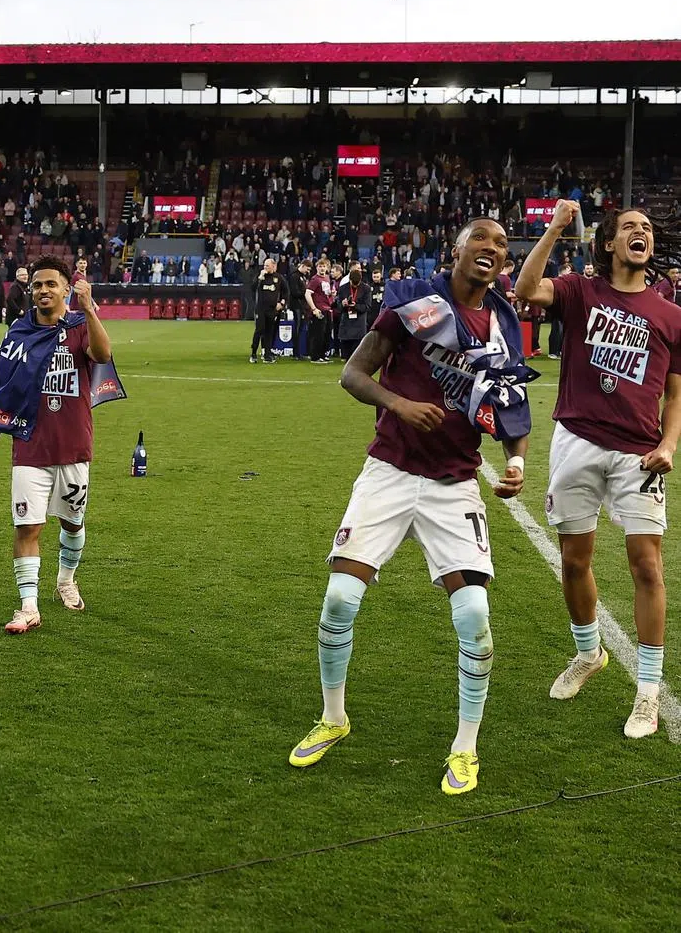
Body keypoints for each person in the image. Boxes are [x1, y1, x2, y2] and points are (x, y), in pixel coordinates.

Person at [289, 217, 534, 795]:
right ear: (456, 249)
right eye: (482, 239)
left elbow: (512, 405)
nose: (493, 250)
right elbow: (353, 374)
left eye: (501, 244)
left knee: (474, 617)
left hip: (455, 483)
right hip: (389, 472)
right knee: (339, 599)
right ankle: (333, 718)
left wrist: (517, 462)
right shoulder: (417, 302)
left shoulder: (503, 321)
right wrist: (398, 403)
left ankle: (465, 748)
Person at [516, 200, 681, 739]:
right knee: (573, 559)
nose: (642, 233)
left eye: (648, 229)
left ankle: (649, 692)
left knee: (647, 567)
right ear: (608, 244)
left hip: (639, 451)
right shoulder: (579, 290)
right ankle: (590, 653)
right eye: (631, 227)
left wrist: (670, 444)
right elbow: (523, 291)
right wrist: (556, 227)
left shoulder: (671, 316)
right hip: (577, 441)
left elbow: (676, 397)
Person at [0, 257, 117, 633]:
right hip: (29, 445)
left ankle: (66, 581)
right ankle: (28, 606)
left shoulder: (79, 326)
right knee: (27, 527)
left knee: (72, 523)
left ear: (65, 289)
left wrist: (88, 309)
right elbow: (3, 391)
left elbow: (103, 355)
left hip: (73, 444)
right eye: (37, 285)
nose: (43, 291)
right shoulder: (18, 333)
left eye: (51, 284)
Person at [249, 257, 288, 363]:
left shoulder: (278, 278)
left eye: (267, 265)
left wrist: (282, 302)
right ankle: (253, 353)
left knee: (270, 332)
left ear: (273, 266)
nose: (265, 267)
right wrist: (260, 278)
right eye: (264, 265)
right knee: (259, 330)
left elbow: (286, 291)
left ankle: (267, 355)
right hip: (261, 309)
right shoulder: (260, 277)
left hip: (272, 309)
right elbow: (253, 288)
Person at [336, 263, 370, 360]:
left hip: (359, 323)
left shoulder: (366, 288)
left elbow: (367, 306)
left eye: (357, 284)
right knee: (347, 354)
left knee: (358, 354)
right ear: (349, 279)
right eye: (353, 284)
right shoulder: (343, 288)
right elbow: (338, 307)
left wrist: (356, 306)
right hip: (346, 322)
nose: (355, 286)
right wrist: (343, 304)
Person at [305, 258, 336, 363]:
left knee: (326, 333)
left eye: (324, 266)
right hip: (319, 309)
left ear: (327, 268)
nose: (322, 268)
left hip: (327, 309)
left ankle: (323, 355)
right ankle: (315, 356)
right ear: (316, 267)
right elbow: (308, 293)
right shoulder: (315, 279)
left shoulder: (327, 278)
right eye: (320, 266)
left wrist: (332, 296)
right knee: (318, 334)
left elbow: (326, 294)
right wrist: (314, 308)